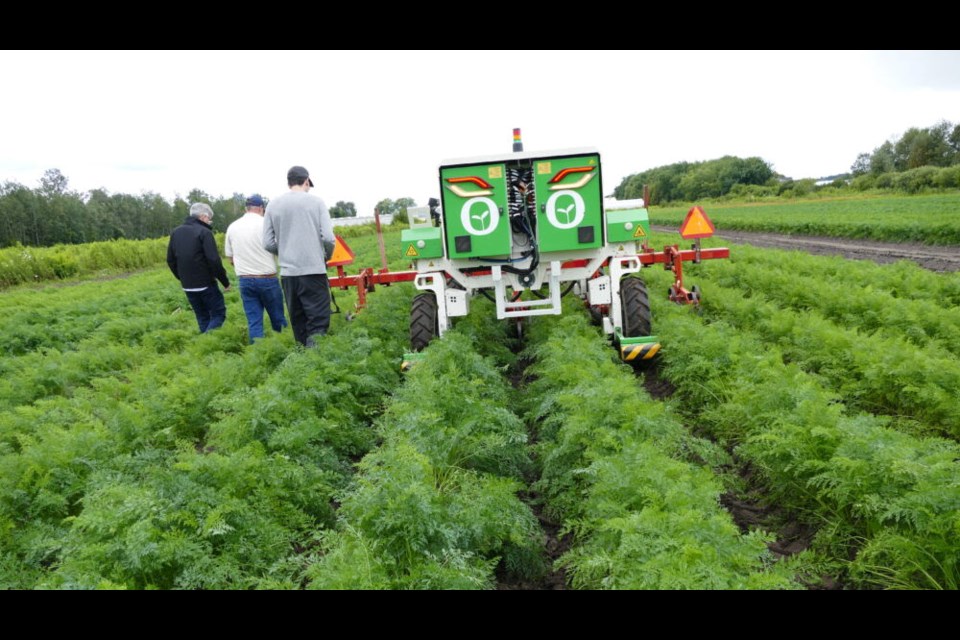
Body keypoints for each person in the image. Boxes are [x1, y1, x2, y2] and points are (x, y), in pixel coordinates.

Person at [263, 166, 335, 347]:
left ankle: (302, 359)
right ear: (306, 181)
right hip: (313, 271)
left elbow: (267, 242)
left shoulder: (273, 205)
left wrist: (287, 251)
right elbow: (328, 238)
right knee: (317, 322)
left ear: (289, 182)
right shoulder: (316, 202)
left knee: (299, 322)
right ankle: (314, 362)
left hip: (288, 275)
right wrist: (325, 256)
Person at [224, 194, 288, 343]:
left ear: (246, 208)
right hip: (268, 279)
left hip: (245, 280)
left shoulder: (233, 226)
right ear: (261, 208)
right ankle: (283, 346)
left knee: (254, 321)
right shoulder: (266, 223)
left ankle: (258, 353)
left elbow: (230, 258)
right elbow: (279, 249)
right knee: (278, 318)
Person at [167, 202, 231, 333]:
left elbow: (170, 260)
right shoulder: (204, 232)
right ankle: (206, 340)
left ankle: (205, 347)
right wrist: (225, 282)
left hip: (187, 285)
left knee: (202, 317)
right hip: (206, 284)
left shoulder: (176, 232)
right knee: (219, 314)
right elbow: (214, 260)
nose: (209, 222)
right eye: (209, 219)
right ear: (202, 217)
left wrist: (182, 277)